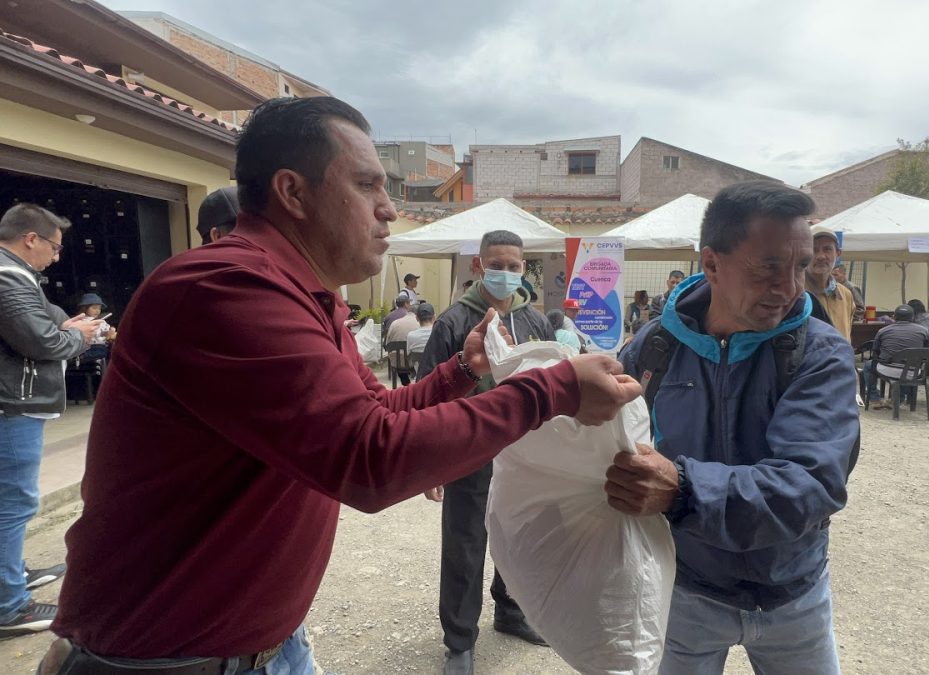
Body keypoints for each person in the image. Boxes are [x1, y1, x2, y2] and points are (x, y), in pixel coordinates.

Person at [40, 97, 640, 674]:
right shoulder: (224, 288)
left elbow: (377, 409)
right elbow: (370, 459)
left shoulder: (311, 297)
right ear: (292, 192)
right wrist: (552, 391)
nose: (387, 208)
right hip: (167, 663)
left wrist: (462, 371)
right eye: (367, 185)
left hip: (266, 647)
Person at [609, 181, 858, 674]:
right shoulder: (652, 351)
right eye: (767, 266)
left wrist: (683, 491)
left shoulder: (821, 355)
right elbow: (614, 452)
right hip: (685, 592)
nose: (788, 287)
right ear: (712, 263)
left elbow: (810, 482)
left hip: (794, 597)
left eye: (801, 266)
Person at [418, 230, 557, 675]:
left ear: (524, 269)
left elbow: (553, 379)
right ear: (479, 266)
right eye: (497, 265)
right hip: (470, 451)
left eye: (515, 266)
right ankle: (459, 642)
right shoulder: (454, 322)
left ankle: (511, 612)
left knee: (518, 537)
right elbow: (427, 396)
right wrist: (430, 464)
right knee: (466, 543)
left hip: (525, 453)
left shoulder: (534, 321)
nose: (506, 273)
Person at [0, 204, 101, 637]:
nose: (57, 257)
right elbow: (42, 339)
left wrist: (70, 327)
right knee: (14, 502)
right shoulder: (8, 277)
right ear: (30, 239)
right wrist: (78, 336)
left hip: (14, 403)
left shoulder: (20, 277)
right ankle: (9, 605)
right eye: (55, 248)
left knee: (10, 501)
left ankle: (12, 573)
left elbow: (51, 319)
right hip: (12, 406)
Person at [863, 304, 929, 409]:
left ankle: (874, 398)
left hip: (887, 370)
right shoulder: (924, 331)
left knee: (868, 365)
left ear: (894, 317)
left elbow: (875, 353)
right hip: (913, 372)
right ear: (912, 317)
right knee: (906, 365)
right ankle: (898, 399)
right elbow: (928, 351)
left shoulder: (883, 331)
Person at [805, 224, 856, 340]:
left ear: (838, 254)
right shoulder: (794, 293)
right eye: (814, 249)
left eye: (827, 249)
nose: (821, 256)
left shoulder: (845, 295)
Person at [383, 300, 420, 385]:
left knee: (399, 356)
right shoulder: (419, 323)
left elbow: (388, 343)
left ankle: (406, 384)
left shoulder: (395, 323)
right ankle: (415, 383)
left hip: (397, 361)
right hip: (413, 362)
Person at [73, 293, 115, 362]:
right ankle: (80, 357)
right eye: (94, 308)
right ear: (84, 308)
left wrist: (110, 332)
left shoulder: (102, 320)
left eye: (99, 308)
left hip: (102, 345)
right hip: (88, 347)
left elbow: (105, 332)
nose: (97, 311)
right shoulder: (81, 320)